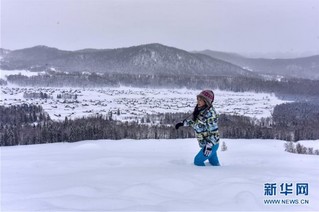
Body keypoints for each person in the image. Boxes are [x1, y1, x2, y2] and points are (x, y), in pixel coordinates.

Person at [175, 90, 220, 166]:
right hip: (208, 144)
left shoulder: (210, 114)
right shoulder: (202, 111)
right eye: (198, 99)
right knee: (214, 164)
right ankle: (221, 174)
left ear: (206, 101)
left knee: (197, 161)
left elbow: (214, 133)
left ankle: (204, 177)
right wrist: (183, 123)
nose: (198, 102)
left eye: (201, 100)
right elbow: (197, 124)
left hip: (211, 144)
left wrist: (209, 145)